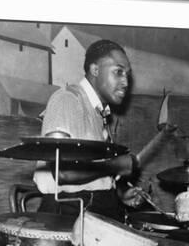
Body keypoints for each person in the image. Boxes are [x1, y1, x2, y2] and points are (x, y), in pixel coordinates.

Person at [33, 39, 143, 221]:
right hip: (69, 214)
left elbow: (92, 176)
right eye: (118, 72)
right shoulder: (67, 100)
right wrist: (117, 165)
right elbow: (63, 172)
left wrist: (119, 197)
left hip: (94, 209)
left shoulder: (99, 112)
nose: (125, 82)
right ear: (95, 70)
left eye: (127, 75)